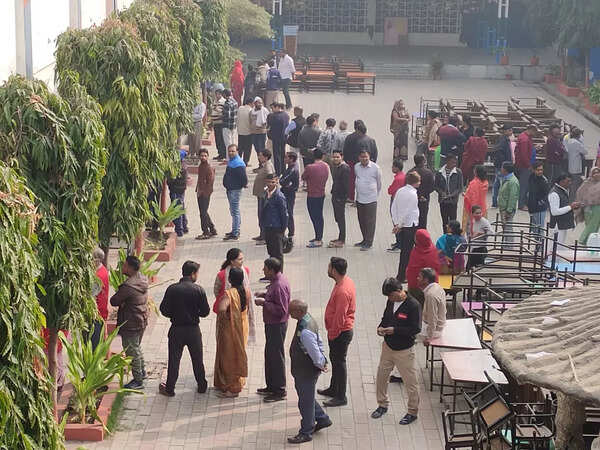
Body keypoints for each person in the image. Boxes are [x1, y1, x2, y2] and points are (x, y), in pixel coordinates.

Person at [371, 278, 421, 425]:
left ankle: (412, 411)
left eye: (391, 295)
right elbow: (386, 318)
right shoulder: (391, 302)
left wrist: (395, 330)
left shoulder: (413, 305)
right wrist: (381, 327)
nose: (389, 299)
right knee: (381, 376)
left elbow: (415, 329)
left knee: (410, 383)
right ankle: (382, 404)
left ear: (399, 291)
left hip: (404, 351)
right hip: (388, 347)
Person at [158, 261, 210, 397]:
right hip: (193, 330)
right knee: (197, 359)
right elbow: (205, 312)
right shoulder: (199, 290)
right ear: (193, 274)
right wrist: (194, 312)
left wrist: (175, 313)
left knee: (174, 360)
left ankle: (170, 388)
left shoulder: (172, 289)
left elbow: (164, 309)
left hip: (176, 329)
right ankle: (202, 385)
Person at [287, 300, 332, 444]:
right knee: (308, 397)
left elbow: (313, 350)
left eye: (291, 310)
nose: (289, 313)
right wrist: (322, 360)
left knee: (304, 402)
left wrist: (321, 363)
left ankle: (306, 431)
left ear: (299, 312)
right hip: (304, 369)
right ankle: (323, 419)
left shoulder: (305, 330)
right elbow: (319, 343)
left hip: (305, 371)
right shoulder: (308, 319)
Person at [317, 257, 356, 407]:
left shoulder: (342, 291)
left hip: (340, 333)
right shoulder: (345, 281)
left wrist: (333, 334)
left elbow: (340, 316)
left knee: (339, 363)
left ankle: (341, 396)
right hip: (339, 331)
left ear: (334, 270)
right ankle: (334, 388)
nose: (327, 269)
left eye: (329, 267)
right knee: (336, 361)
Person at [255, 258, 291, 403]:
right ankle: (271, 386)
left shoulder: (279, 285)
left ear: (271, 269)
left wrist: (265, 303)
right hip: (271, 324)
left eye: (265, 268)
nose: (263, 270)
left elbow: (281, 310)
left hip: (277, 325)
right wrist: (265, 295)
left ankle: (280, 390)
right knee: (270, 354)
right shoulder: (276, 282)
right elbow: (274, 296)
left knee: (276, 357)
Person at [110, 255, 148, 389]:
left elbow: (114, 301)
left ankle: (138, 380)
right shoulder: (142, 278)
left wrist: (124, 301)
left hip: (130, 322)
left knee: (132, 351)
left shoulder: (128, 286)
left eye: (125, 265)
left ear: (131, 268)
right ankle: (142, 373)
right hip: (140, 319)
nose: (123, 267)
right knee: (137, 347)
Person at [213, 267, 251, 398]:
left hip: (230, 330)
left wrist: (224, 319)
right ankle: (239, 381)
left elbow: (222, 308)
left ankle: (231, 387)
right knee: (239, 352)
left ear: (230, 279)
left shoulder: (229, 294)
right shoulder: (246, 291)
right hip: (242, 326)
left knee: (228, 357)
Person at [392, 171, 421, 283]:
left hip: (401, 224)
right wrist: (399, 224)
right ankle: (402, 275)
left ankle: (401, 273)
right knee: (407, 252)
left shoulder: (400, 191)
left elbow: (394, 206)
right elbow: (408, 210)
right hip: (409, 224)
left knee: (404, 251)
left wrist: (396, 222)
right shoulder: (413, 194)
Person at [354, 149, 382, 251]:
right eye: (362, 157)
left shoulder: (375, 168)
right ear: (359, 158)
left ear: (369, 157)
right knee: (361, 220)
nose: (364, 159)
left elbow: (379, 183)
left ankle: (369, 242)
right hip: (360, 198)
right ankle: (364, 239)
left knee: (370, 221)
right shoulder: (356, 167)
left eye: (366, 157)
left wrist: (375, 194)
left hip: (371, 198)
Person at [343, 120, 377, 202]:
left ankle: (351, 197)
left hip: (352, 162)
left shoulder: (351, 138)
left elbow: (345, 150)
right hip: (367, 163)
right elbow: (375, 152)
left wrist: (346, 160)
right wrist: (372, 162)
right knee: (364, 180)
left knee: (352, 181)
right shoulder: (371, 140)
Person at [302, 148, 329, 248]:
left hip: (312, 195)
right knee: (319, 216)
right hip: (321, 194)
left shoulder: (310, 167)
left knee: (314, 217)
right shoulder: (326, 166)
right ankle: (318, 236)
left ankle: (318, 239)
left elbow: (303, 177)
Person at [405, 230, 440, 305]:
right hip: (432, 286)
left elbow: (412, 271)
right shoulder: (433, 249)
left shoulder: (416, 251)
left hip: (416, 288)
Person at [261, 174, 288, 269]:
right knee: (271, 251)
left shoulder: (279, 196)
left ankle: (279, 273)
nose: (270, 184)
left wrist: (282, 229)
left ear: (276, 182)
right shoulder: (265, 193)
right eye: (268, 182)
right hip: (267, 226)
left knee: (278, 253)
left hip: (276, 228)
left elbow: (284, 214)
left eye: (273, 182)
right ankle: (271, 272)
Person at [223, 145, 248, 241]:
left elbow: (244, 178)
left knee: (235, 211)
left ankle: (235, 232)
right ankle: (235, 230)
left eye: (233, 151)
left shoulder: (238, 163)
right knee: (233, 210)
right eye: (229, 151)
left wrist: (241, 185)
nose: (230, 153)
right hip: (230, 189)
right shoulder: (232, 161)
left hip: (234, 190)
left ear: (237, 151)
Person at [549, 173, 581, 246]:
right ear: (561, 182)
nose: (570, 183)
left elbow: (564, 206)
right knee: (555, 248)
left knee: (560, 247)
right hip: (557, 225)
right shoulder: (554, 194)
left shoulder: (563, 191)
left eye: (570, 181)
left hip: (563, 225)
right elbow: (554, 212)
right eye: (568, 181)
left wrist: (574, 206)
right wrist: (570, 207)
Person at [434, 154, 463, 233]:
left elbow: (460, 188)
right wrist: (441, 192)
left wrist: (452, 195)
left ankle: (453, 236)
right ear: (447, 162)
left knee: (453, 221)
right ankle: (445, 235)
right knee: (444, 221)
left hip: (453, 201)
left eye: (455, 163)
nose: (454, 165)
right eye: (452, 162)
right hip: (443, 201)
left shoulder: (458, 172)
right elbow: (436, 186)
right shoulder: (439, 172)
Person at [418, 268, 446, 346]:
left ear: (426, 280)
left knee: (406, 332)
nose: (417, 278)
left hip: (435, 330)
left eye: (419, 277)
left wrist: (429, 337)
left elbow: (432, 318)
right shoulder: (437, 286)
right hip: (439, 324)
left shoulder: (430, 295)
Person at [329, 150, 350, 248]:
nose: (335, 159)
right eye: (334, 157)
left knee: (341, 218)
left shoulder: (344, 168)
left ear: (342, 157)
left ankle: (342, 240)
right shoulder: (335, 167)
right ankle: (340, 237)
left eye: (337, 157)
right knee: (338, 217)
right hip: (335, 195)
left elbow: (346, 186)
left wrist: (342, 198)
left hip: (340, 197)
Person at [253, 149, 275, 243]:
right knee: (261, 214)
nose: (259, 157)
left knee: (263, 215)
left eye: (260, 155)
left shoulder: (268, 167)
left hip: (263, 195)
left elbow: (271, 178)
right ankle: (262, 234)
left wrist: (267, 190)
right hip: (260, 194)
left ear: (266, 157)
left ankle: (265, 236)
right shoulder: (264, 165)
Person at [195, 148, 217, 240]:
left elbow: (210, 182)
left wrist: (205, 193)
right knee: (204, 212)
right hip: (200, 192)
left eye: (205, 156)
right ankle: (212, 229)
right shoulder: (201, 166)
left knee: (203, 213)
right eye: (201, 156)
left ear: (208, 156)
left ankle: (206, 232)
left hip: (205, 193)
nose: (203, 157)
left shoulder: (209, 167)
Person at [408, 154, 435, 229]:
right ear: (422, 161)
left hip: (412, 200)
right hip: (424, 200)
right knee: (423, 220)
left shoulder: (410, 173)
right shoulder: (428, 173)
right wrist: (424, 195)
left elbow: (407, 187)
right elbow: (432, 187)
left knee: (413, 220)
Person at [90, 247, 109, 350]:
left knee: (93, 345)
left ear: (96, 260)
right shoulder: (103, 270)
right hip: (100, 313)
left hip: (96, 315)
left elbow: (91, 295)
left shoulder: (98, 276)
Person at [280, 152, 300, 250]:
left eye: (286, 157)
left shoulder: (293, 169)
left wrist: (282, 182)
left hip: (289, 194)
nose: (284, 159)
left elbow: (282, 181)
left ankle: (291, 234)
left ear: (291, 159)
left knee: (288, 213)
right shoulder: (290, 167)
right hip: (287, 192)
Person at [515, 124, 537, 210]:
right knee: (524, 185)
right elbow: (524, 154)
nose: (535, 134)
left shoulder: (523, 136)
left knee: (525, 185)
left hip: (523, 165)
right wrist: (529, 166)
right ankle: (521, 205)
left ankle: (524, 203)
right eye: (534, 132)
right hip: (524, 166)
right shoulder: (525, 139)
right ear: (531, 130)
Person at [167, 150, 189, 237]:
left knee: (177, 210)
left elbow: (171, 179)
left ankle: (179, 230)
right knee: (181, 208)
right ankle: (184, 226)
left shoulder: (176, 167)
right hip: (181, 190)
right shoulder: (184, 164)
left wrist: (169, 183)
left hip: (176, 190)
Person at [576, 167, 600, 245]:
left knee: (594, 225)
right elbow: (579, 193)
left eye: (598, 172)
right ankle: (585, 241)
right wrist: (582, 203)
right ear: (591, 174)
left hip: (597, 207)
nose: (596, 174)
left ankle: (588, 242)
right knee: (589, 225)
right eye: (594, 173)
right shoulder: (587, 183)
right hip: (587, 208)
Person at [387, 159, 406, 252]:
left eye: (393, 166)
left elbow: (390, 190)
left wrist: (389, 188)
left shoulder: (398, 179)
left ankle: (399, 244)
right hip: (401, 201)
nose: (391, 168)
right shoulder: (403, 176)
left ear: (396, 168)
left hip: (396, 201)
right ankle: (399, 242)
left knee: (396, 222)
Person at [492, 124, 513, 207]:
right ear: (505, 131)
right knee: (502, 185)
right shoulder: (503, 140)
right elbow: (500, 153)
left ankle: (495, 202)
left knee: (497, 184)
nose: (511, 132)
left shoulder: (504, 139)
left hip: (501, 165)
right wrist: (504, 165)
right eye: (510, 130)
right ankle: (499, 202)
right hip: (502, 166)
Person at [498, 162, 520, 241]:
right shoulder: (506, 178)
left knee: (508, 228)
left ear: (505, 170)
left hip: (507, 210)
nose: (501, 169)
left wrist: (509, 210)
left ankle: (509, 246)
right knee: (505, 228)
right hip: (503, 208)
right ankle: (506, 245)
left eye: (502, 168)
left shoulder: (513, 181)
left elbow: (513, 197)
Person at [463, 165, 489, 232]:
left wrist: (466, 195)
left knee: (472, 228)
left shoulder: (474, 184)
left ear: (476, 172)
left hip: (473, 209)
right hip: (482, 208)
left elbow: (471, 197)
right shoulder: (485, 183)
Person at [528, 161, 550, 237]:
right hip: (532, 208)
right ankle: (537, 247)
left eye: (541, 170)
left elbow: (547, 194)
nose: (540, 171)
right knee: (534, 229)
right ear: (533, 170)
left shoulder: (544, 180)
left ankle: (540, 247)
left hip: (540, 208)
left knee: (540, 229)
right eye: (538, 170)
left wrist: (541, 202)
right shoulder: (531, 177)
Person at [267, 102, 290, 175]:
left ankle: (278, 171)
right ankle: (283, 170)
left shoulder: (273, 116)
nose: (272, 110)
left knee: (276, 155)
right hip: (284, 137)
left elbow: (269, 125)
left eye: (272, 108)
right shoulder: (286, 115)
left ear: (277, 107)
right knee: (282, 154)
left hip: (276, 138)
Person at [566, 127, 587, 202]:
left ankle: (571, 200)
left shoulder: (570, 141)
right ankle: (572, 202)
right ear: (578, 135)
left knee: (572, 186)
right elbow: (585, 151)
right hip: (576, 167)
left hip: (571, 166)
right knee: (575, 186)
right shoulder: (577, 143)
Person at [210, 87, 226, 161]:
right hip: (215, 122)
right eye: (216, 94)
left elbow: (222, 111)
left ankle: (223, 154)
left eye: (218, 94)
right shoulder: (215, 101)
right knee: (217, 139)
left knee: (221, 139)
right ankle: (220, 153)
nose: (217, 95)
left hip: (220, 123)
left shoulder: (223, 101)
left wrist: (216, 108)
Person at [237, 97, 254, 165]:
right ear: (250, 103)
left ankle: (238, 160)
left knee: (240, 147)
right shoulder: (251, 110)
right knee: (247, 148)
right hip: (248, 132)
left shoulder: (240, 108)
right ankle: (245, 161)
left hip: (240, 131)